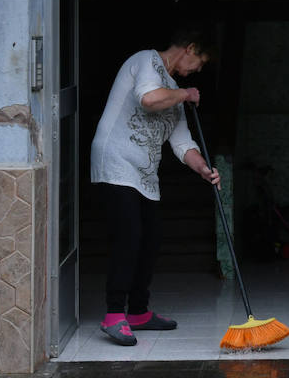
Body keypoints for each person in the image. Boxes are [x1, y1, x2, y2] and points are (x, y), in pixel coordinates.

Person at [90, 25, 221, 346]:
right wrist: (186, 95)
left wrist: (203, 169)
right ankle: (114, 314)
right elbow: (148, 99)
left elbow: (182, 143)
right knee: (129, 236)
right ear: (190, 48)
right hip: (116, 161)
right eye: (200, 62)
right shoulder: (146, 60)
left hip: (144, 174)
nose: (198, 70)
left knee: (151, 239)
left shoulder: (174, 91)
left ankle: (138, 311)